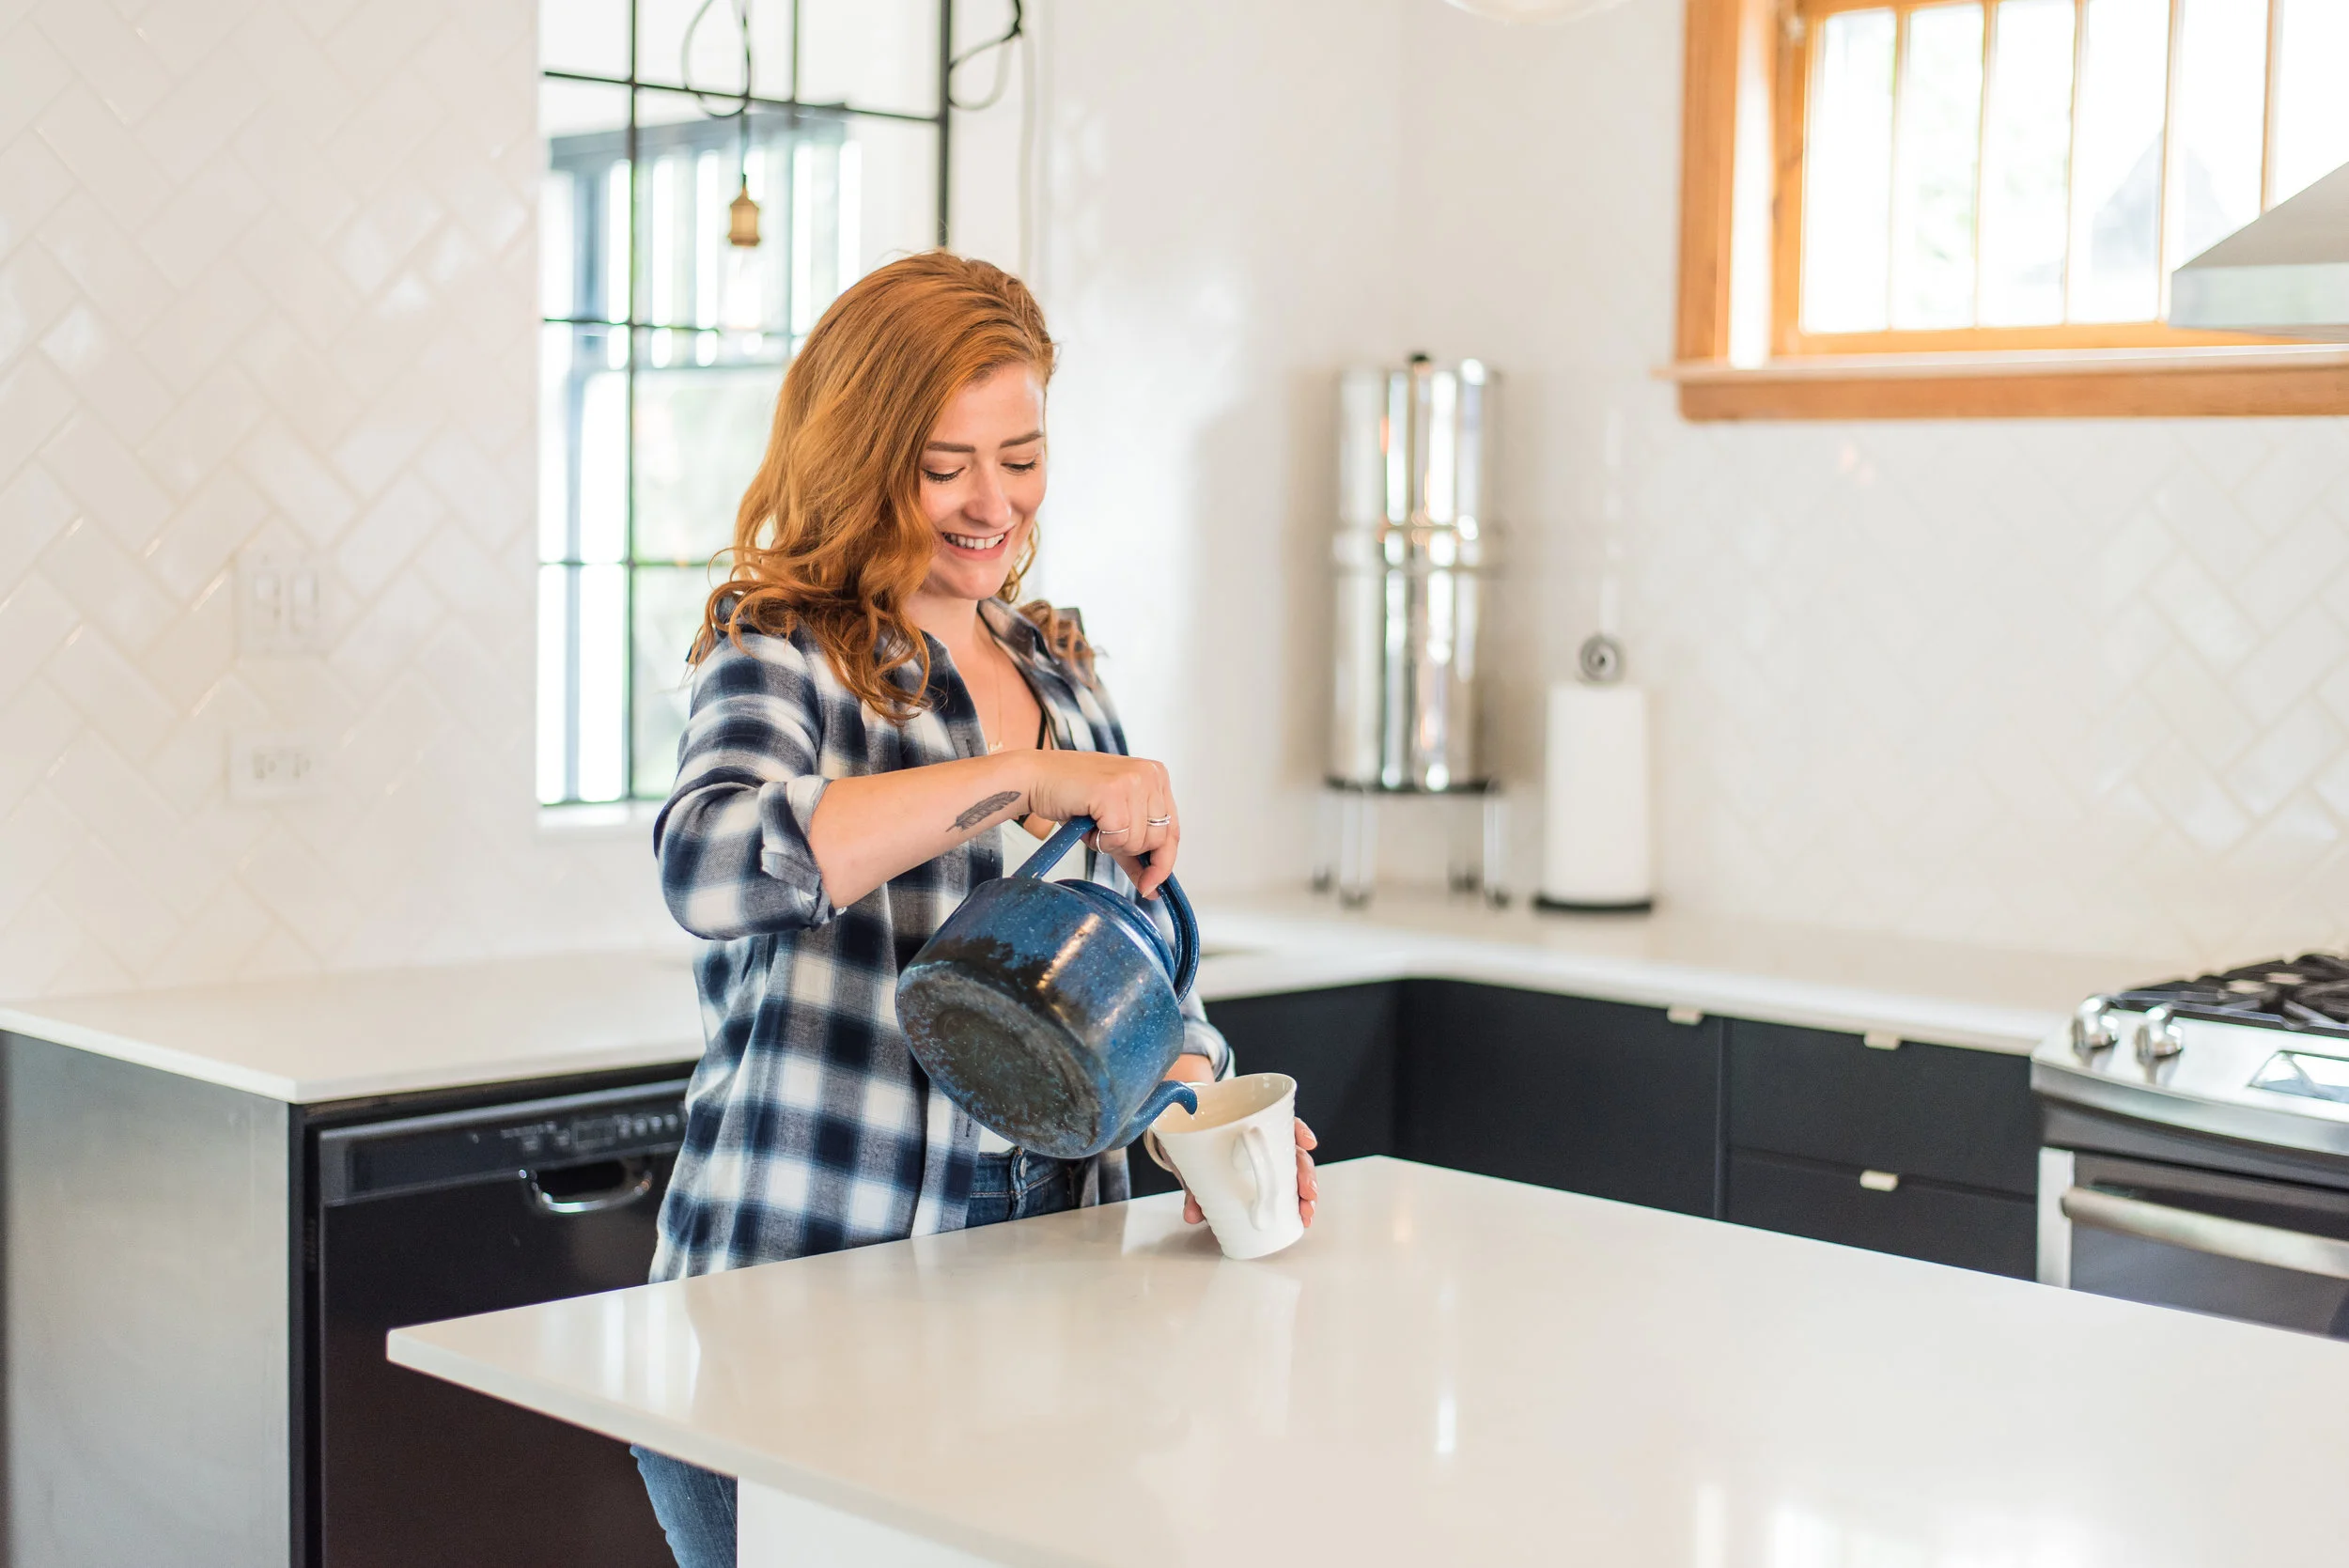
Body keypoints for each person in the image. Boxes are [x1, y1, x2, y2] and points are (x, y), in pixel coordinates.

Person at [631, 251, 1320, 1568]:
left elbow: (1135, 986)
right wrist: (1022, 779)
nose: (992, 502)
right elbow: (710, 865)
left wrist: (1205, 1114)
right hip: (796, 1326)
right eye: (944, 465)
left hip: (1046, 1338)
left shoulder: (1062, 676)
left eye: (1021, 456)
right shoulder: (784, 654)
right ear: (862, 456)